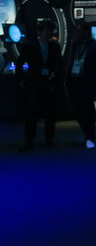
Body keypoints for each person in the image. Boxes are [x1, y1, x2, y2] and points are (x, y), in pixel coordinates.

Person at [17, 20, 62, 150]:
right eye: (47, 31)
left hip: (48, 83)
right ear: (40, 32)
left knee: (50, 113)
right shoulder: (30, 46)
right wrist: (21, 79)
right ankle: (29, 140)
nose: (49, 34)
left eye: (50, 31)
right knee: (31, 113)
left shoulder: (55, 46)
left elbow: (59, 63)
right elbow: (20, 62)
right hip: (34, 83)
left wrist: (55, 74)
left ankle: (49, 138)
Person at [66, 21, 96, 149]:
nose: (77, 33)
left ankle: (91, 136)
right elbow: (71, 61)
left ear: (86, 31)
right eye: (76, 31)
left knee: (88, 110)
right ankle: (87, 133)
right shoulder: (75, 44)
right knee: (76, 108)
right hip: (75, 80)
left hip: (88, 82)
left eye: (79, 31)